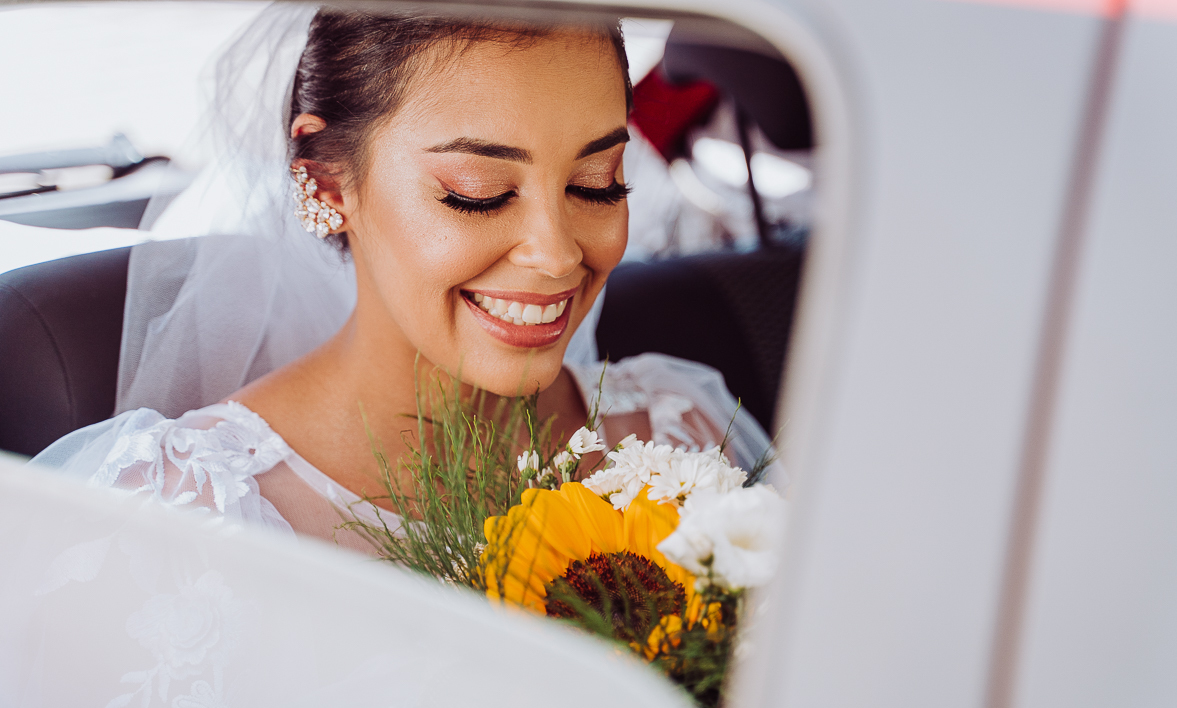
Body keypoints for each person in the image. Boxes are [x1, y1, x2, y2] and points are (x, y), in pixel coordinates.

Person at [31, 6, 771, 554]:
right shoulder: (167, 515)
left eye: (597, 183)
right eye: (478, 193)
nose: (555, 254)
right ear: (327, 180)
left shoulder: (686, 431)